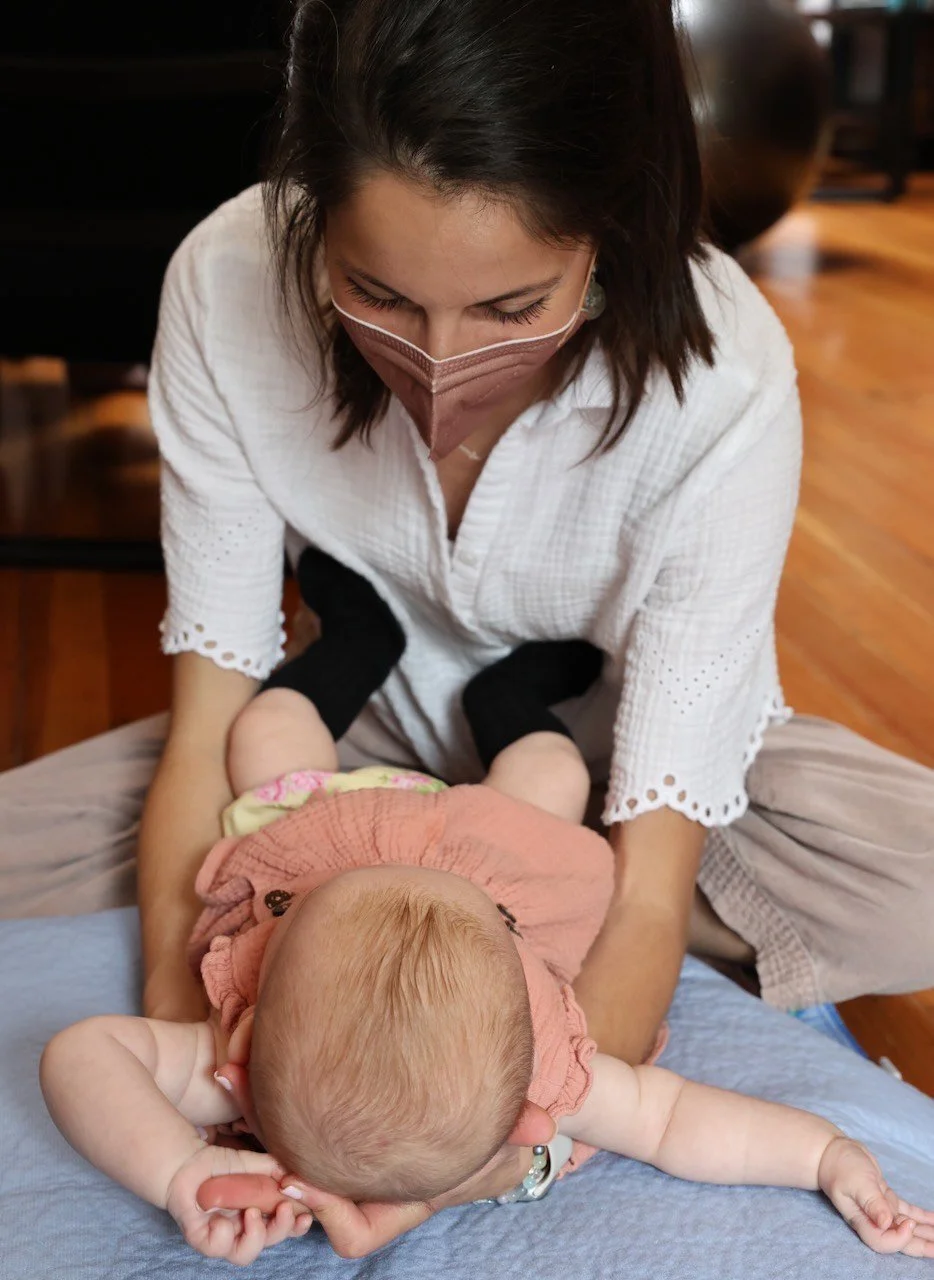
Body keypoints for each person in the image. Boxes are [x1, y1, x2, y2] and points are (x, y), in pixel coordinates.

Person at [3, 0, 934, 1252]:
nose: (437, 364)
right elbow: (205, 728)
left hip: (608, 773)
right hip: (336, 759)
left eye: (510, 307)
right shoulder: (224, 282)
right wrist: (225, 1055)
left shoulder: (725, 380)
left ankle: (400, 891)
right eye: (375, 291)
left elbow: (651, 875)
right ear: (309, 216)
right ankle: (384, 881)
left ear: (610, 234)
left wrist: (451, 1157)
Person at [39, 654, 934, 1266]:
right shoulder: (543, 1073)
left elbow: (82, 1055)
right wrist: (826, 1156)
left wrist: (179, 1171)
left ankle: (402, 668)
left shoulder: (234, 1067)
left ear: (239, 1057)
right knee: (548, 780)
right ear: (527, 1122)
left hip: (314, 827)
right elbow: (680, 1124)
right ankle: (484, 691)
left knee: (272, 739)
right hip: (496, 854)